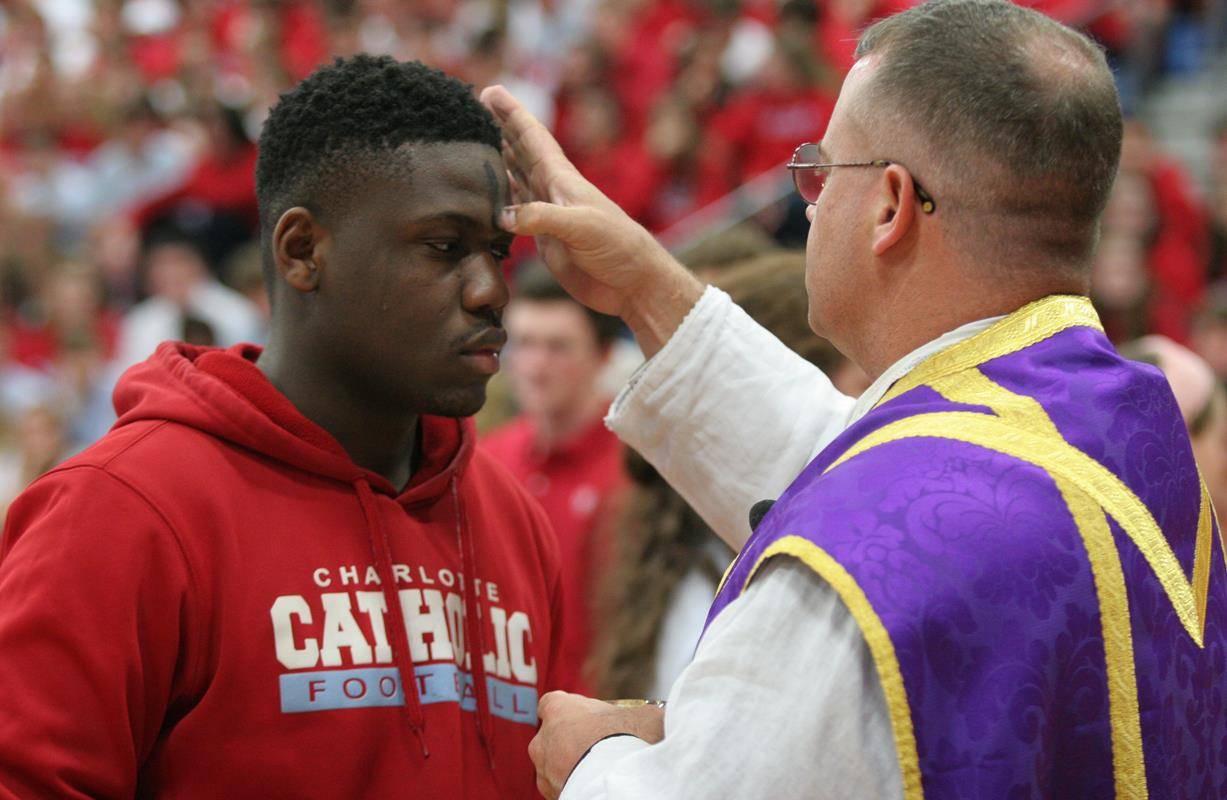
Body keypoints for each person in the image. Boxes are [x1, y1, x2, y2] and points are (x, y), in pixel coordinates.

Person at [480, 0, 1227, 797]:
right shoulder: (1119, 424)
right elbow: (866, 468)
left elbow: (869, 521)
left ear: (888, 205)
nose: (807, 202)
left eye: (819, 169)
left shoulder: (857, 571)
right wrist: (644, 287)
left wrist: (591, 762)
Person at [0, 55, 563, 798]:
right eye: (443, 247)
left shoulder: (511, 518)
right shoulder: (121, 510)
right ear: (303, 252)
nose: (492, 290)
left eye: (498, 251)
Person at [482, 263, 627, 695]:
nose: (535, 366)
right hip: (506, 713)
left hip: (600, 722)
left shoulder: (634, 470)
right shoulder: (487, 459)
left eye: (558, 347)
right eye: (523, 344)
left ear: (602, 356)